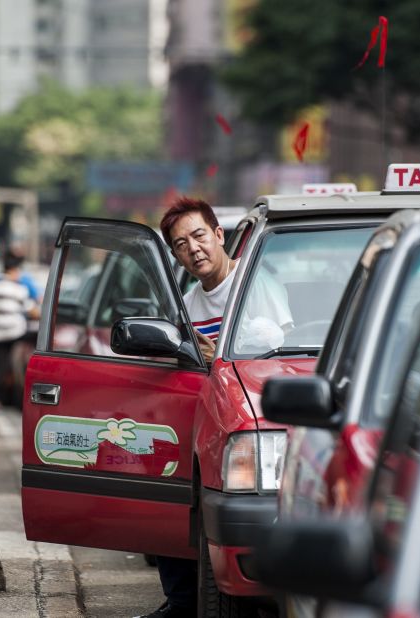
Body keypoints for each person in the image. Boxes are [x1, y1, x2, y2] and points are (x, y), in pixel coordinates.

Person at [134, 196, 287, 618]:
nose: (193, 249)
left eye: (199, 236)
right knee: (165, 492)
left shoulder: (257, 283)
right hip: (202, 418)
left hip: (252, 419)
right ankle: (180, 602)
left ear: (220, 235)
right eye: (181, 245)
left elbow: (279, 356)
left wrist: (217, 350)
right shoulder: (188, 304)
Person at [0, 251, 40, 415]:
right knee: (12, 364)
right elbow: (33, 311)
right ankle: (14, 397)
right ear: (14, 271)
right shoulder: (19, 289)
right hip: (15, 333)